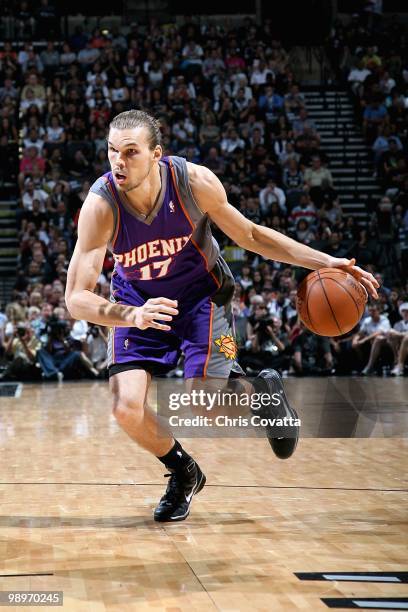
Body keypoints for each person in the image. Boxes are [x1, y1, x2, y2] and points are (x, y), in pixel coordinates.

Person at [65, 110, 379, 523]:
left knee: (205, 404)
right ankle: (184, 471)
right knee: (125, 407)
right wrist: (132, 314)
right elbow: (75, 298)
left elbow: (250, 235)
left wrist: (326, 262)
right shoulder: (101, 206)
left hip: (204, 299)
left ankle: (262, 391)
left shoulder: (193, 183)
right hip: (141, 305)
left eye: (130, 152)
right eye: (111, 152)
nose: (118, 162)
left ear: (156, 155)